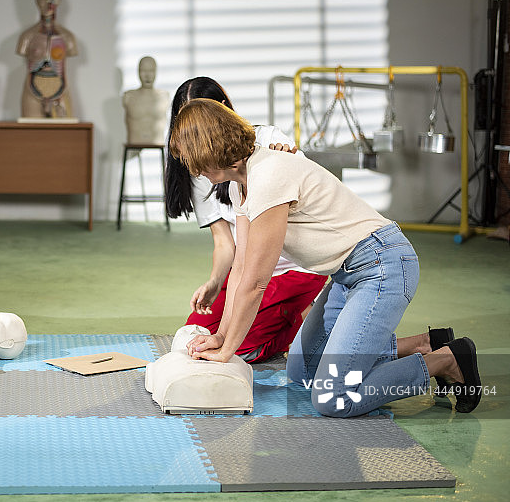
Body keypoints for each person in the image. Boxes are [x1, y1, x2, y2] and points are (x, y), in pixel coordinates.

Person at [169, 98, 481, 416]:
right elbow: (241, 268)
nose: (191, 169)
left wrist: (226, 353)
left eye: (191, 159)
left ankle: (446, 359)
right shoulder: (241, 186)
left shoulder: (269, 174)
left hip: (382, 266)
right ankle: (426, 343)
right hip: (346, 275)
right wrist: (221, 335)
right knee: (302, 372)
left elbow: (255, 282)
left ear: (208, 150)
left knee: (333, 397)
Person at [164, 77, 328, 363]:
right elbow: (230, 248)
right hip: (250, 266)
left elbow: (254, 275)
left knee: (239, 348)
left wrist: (227, 345)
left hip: (292, 267)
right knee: (193, 337)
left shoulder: (268, 147)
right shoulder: (208, 171)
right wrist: (216, 282)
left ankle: (308, 322)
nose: (195, 134)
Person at [16, 0, 78, 118]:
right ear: (36, 1)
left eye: (51, 0)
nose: (47, 5)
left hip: (60, 90)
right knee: (30, 134)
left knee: (65, 134)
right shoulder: (27, 36)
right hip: (32, 90)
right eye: (42, 0)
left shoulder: (68, 37)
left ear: (58, 2)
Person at [122, 56, 170, 145]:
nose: (147, 75)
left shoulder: (164, 96)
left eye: (151, 71)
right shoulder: (129, 96)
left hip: (158, 141)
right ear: (138, 72)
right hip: (134, 140)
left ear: (156, 72)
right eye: (143, 71)